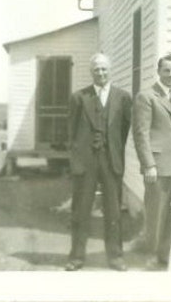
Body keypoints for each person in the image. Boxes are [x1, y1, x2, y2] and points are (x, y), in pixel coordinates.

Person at [65, 53, 132, 271]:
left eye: (104, 69)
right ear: (91, 72)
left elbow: (123, 131)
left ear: (110, 70)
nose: (101, 73)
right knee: (81, 210)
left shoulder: (123, 97)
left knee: (113, 210)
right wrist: (77, 160)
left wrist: (112, 149)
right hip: (86, 161)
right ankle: (76, 257)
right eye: (96, 70)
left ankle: (115, 257)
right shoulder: (79, 98)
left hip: (111, 160)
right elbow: (71, 133)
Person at [132, 53, 171, 267]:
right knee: (156, 214)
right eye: (167, 70)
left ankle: (166, 255)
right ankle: (151, 257)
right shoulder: (146, 97)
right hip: (157, 166)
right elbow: (140, 134)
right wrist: (149, 165)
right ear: (159, 72)